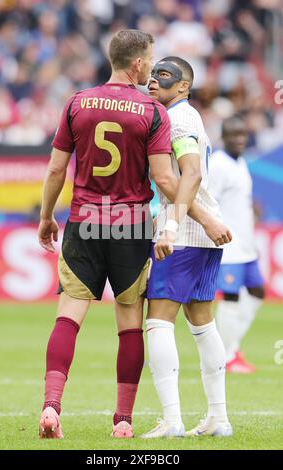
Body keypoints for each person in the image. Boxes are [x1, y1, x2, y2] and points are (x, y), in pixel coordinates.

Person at [37, 29, 177, 440]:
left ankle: (51, 405)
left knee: (68, 316)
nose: (151, 67)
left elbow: (56, 170)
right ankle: (122, 421)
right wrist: (199, 214)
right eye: (150, 60)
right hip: (131, 225)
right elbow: (164, 178)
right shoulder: (152, 111)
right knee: (130, 322)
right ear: (138, 64)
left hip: (83, 221)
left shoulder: (78, 103)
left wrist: (47, 216)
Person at [142, 56, 233, 438]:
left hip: (184, 231)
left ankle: (172, 420)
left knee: (158, 320)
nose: (153, 81)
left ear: (183, 86)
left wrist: (174, 224)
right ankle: (219, 418)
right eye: (151, 75)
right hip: (203, 230)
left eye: (164, 76)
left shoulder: (177, 118)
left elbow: (190, 173)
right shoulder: (188, 115)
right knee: (202, 321)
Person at [209, 116, 265, 373]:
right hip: (229, 245)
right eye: (234, 135)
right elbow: (209, 200)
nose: (239, 139)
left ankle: (229, 346)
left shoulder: (240, 162)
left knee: (257, 292)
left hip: (247, 245)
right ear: (223, 136)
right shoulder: (218, 165)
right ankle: (228, 356)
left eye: (243, 134)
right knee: (230, 297)